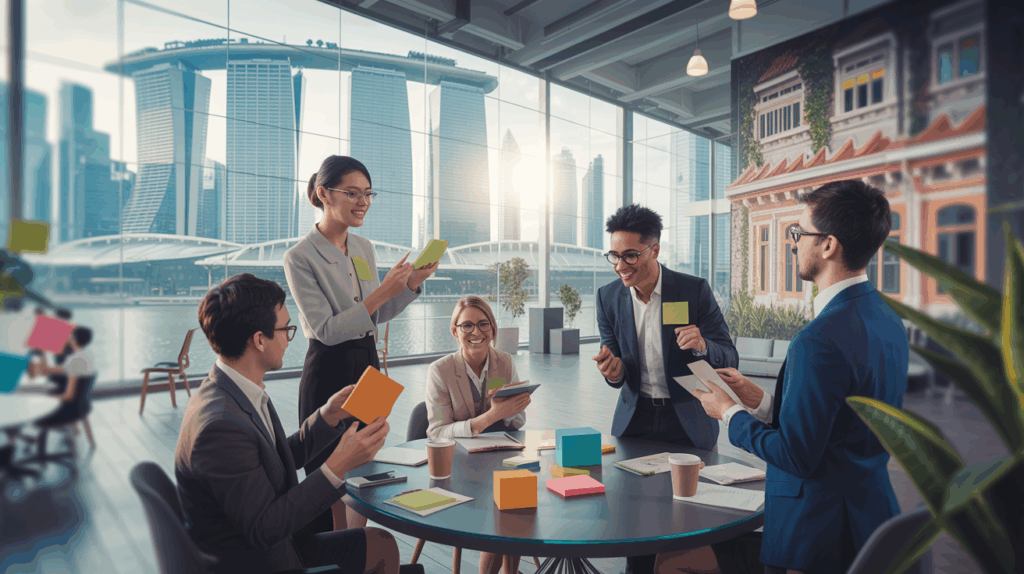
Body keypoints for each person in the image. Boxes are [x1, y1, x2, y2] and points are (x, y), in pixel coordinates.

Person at [682, 180, 909, 574]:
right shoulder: (888, 319)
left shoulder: (818, 339)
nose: (792, 243)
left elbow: (797, 457)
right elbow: (841, 428)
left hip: (816, 535)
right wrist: (762, 402)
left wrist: (729, 412)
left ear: (828, 245)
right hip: (871, 518)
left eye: (798, 233)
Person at [175, 273, 419, 574]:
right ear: (259, 340)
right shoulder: (220, 427)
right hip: (262, 561)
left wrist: (327, 416)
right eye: (285, 329)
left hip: (272, 545)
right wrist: (337, 467)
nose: (290, 338)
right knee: (381, 548)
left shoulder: (231, 390)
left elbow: (271, 460)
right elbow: (265, 528)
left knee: (381, 543)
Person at [284, 155, 438, 534]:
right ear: (323, 193)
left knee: (368, 470)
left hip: (367, 365)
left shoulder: (364, 248)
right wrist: (380, 292)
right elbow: (326, 330)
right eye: (352, 193)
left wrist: (410, 285)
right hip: (329, 369)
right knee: (328, 476)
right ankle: (332, 550)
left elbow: (377, 315)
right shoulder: (300, 257)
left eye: (368, 194)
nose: (362, 202)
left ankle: (358, 550)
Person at [591, 204, 738, 574]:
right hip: (635, 421)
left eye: (630, 255)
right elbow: (619, 370)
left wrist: (703, 344)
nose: (620, 265)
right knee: (634, 522)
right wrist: (613, 371)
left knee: (689, 520)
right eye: (614, 255)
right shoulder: (608, 298)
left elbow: (729, 355)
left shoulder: (692, 290)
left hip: (687, 420)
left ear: (654, 250)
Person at [425, 296, 531, 574]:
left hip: (500, 459)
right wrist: (491, 416)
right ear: (454, 331)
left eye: (483, 324)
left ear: (493, 328)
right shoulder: (440, 370)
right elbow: (436, 432)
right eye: (467, 325)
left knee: (518, 499)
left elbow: (517, 423)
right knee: (501, 510)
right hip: (458, 466)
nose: (476, 332)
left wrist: (514, 407)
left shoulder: (504, 362)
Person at [31, 325, 95, 429]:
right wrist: (42, 353)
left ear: (73, 338)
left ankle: (24, 441)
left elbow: (68, 396)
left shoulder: (75, 360)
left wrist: (45, 399)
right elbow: (47, 370)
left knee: (33, 411)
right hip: (84, 406)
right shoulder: (87, 356)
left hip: (71, 410)